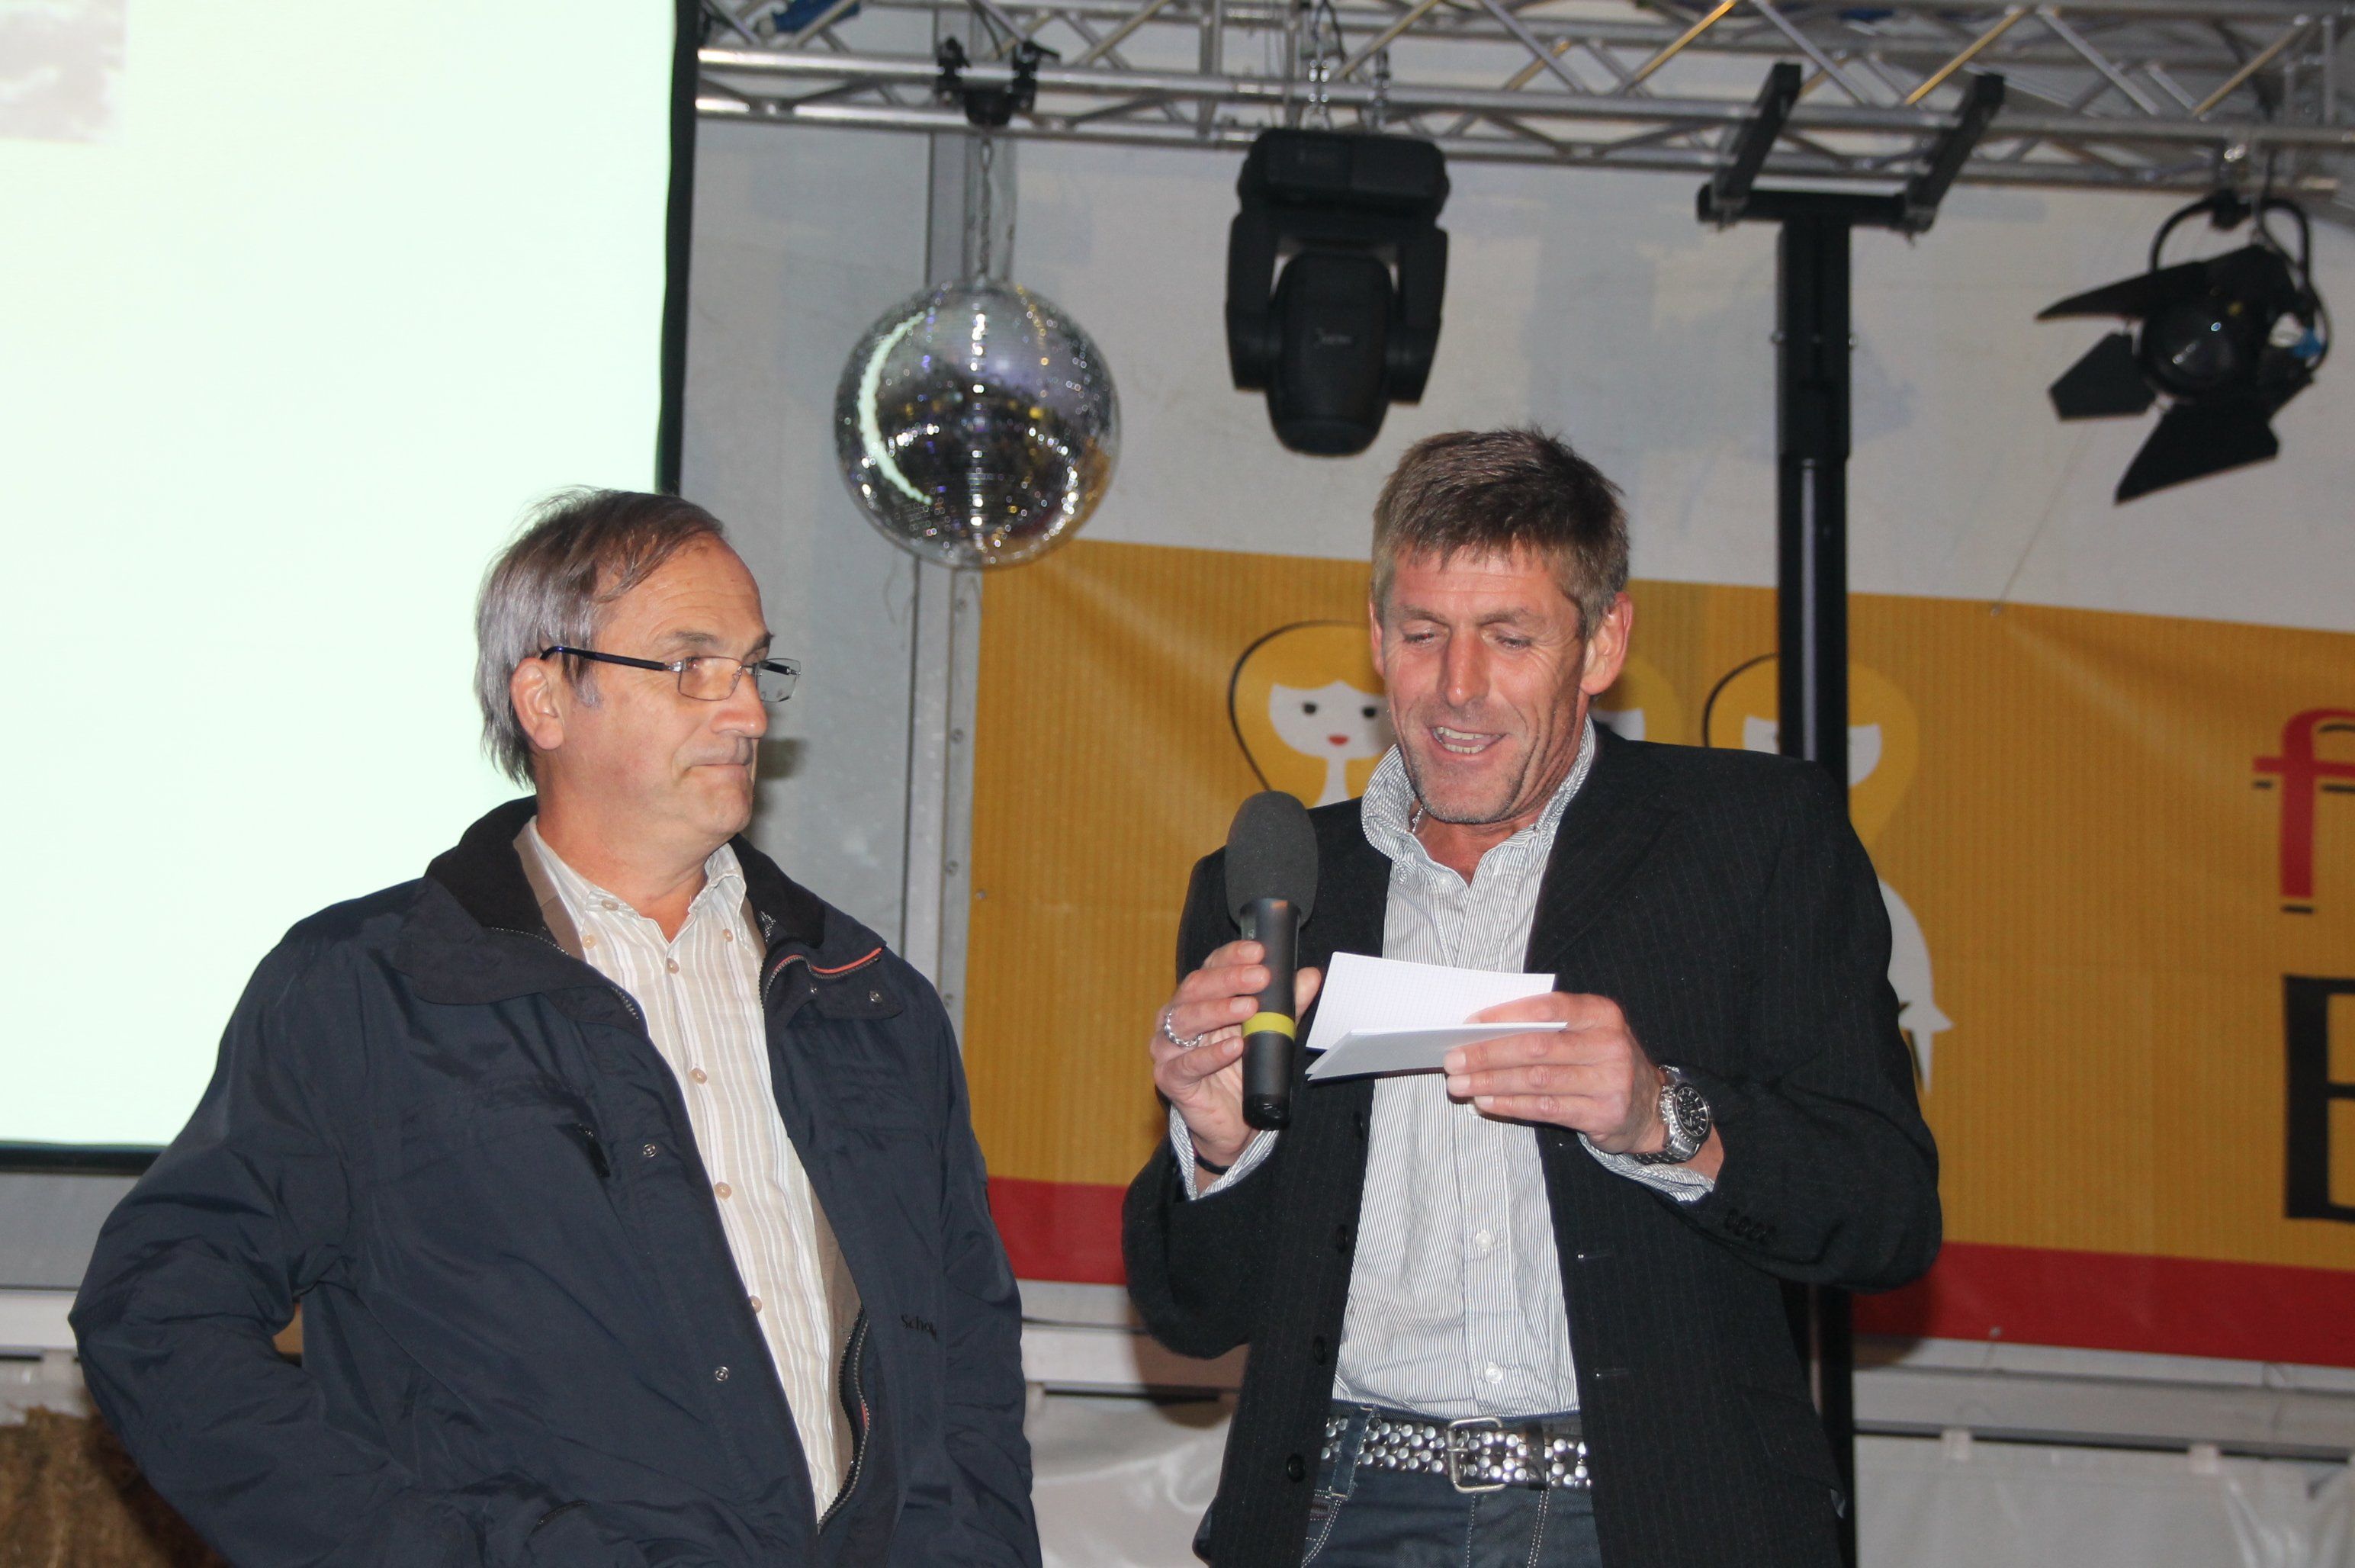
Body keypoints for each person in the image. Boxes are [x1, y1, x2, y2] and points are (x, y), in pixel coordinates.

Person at [74, 490, 1039, 1568]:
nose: (748, 714)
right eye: (690, 665)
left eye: (753, 666)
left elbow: (969, 1369)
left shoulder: (867, 1001)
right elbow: (158, 1318)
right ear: (544, 697)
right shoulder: (365, 990)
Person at [1123, 429, 1939, 1568]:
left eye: (1510, 638)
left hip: (1652, 1519)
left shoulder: (1752, 841)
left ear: (1603, 642)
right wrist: (1220, 1154)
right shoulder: (1275, 887)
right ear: (1375, 636)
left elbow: (1888, 1214)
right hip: (1345, 1513)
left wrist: (1664, 1117)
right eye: (1423, 635)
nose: (1458, 688)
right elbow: (1195, 1313)